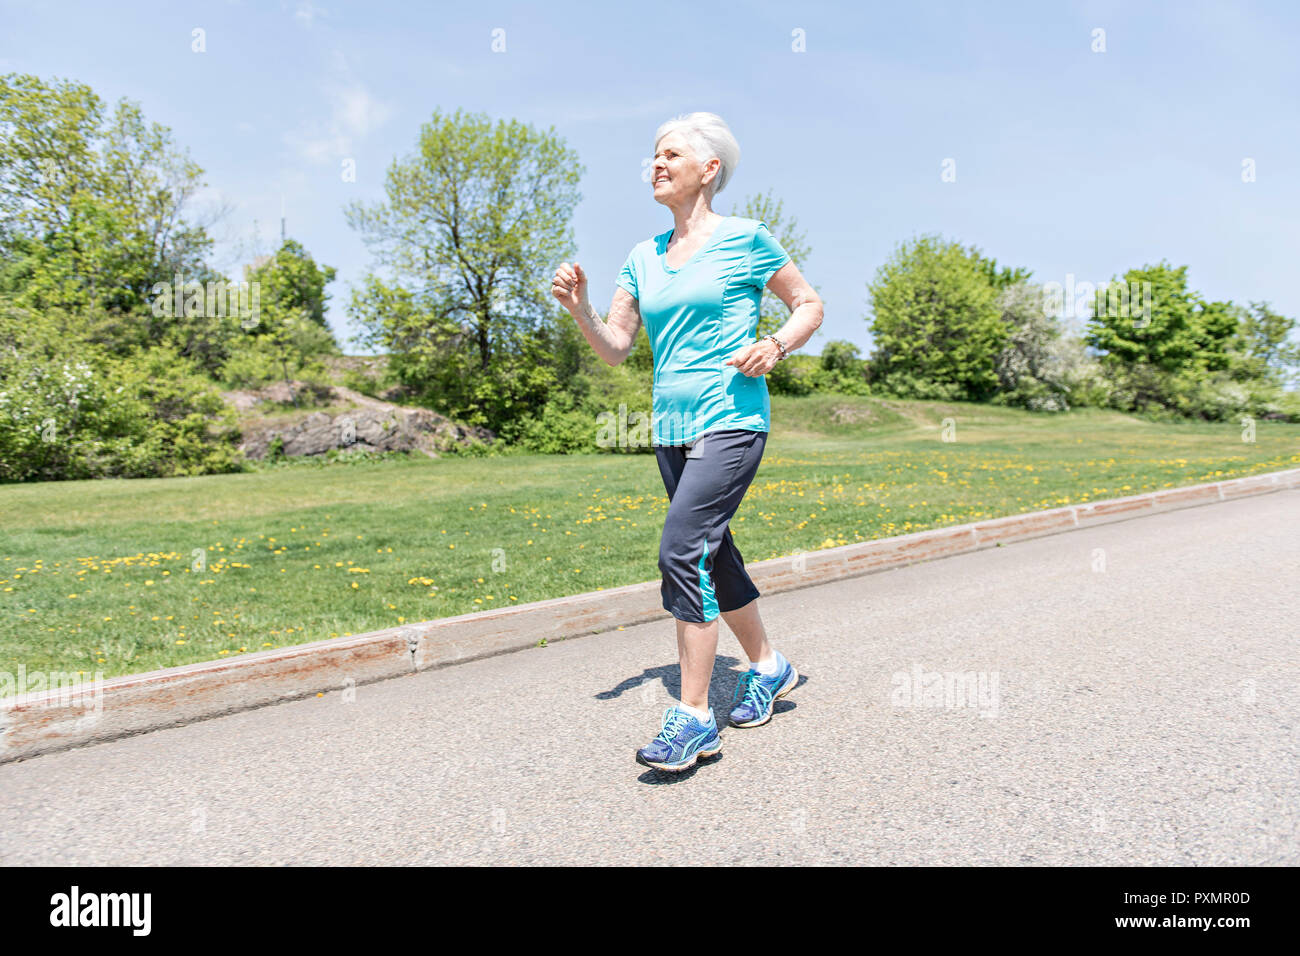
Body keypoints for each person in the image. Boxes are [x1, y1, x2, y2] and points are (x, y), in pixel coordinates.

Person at [551, 112, 824, 772]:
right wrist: (581, 309)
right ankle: (768, 666)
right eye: (652, 155)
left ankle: (694, 717)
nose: (656, 164)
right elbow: (617, 349)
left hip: (731, 420)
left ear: (708, 170)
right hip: (670, 431)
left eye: (670, 154)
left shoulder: (748, 240)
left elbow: (809, 304)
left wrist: (776, 345)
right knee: (712, 553)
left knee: (681, 549)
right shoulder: (642, 257)